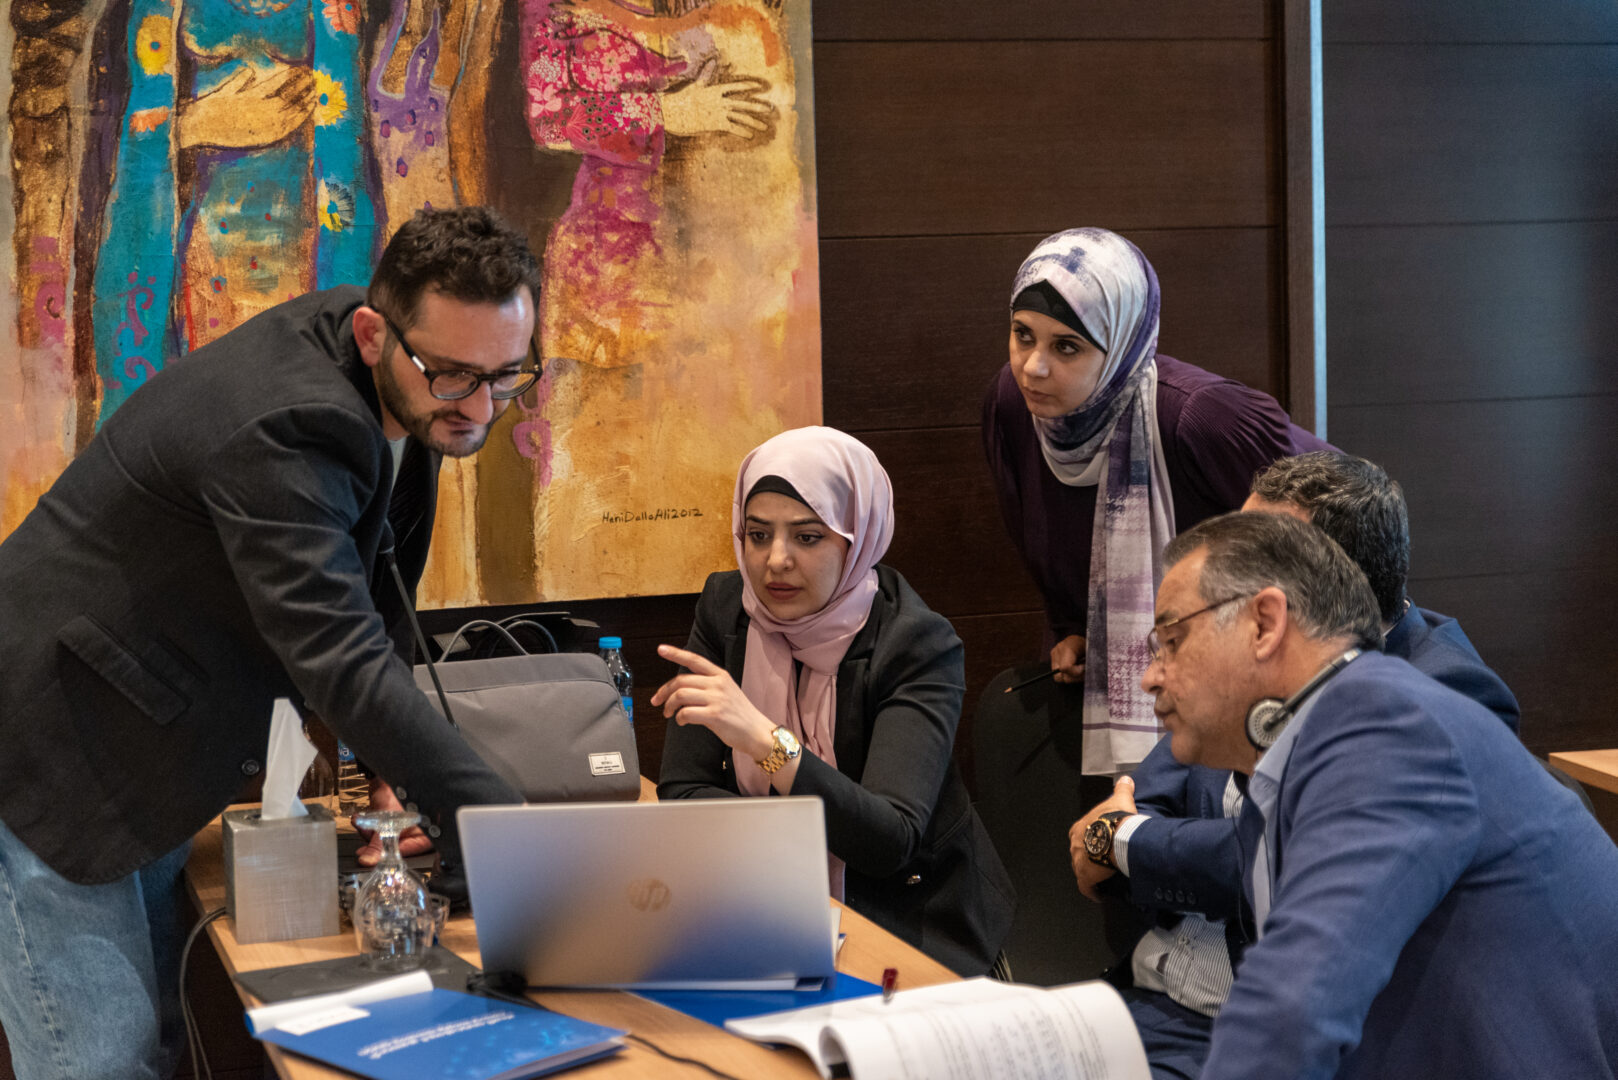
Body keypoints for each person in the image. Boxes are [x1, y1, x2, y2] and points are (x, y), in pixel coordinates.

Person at [0, 206, 540, 1079]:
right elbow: (336, 654)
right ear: (374, 335)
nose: (481, 406)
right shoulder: (286, 421)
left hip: (147, 723)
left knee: (160, 1043)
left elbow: (375, 604)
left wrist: (397, 782)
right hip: (46, 743)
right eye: (455, 377)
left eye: (507, 375)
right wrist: (510, 834)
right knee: (99, 1061)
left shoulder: (410, 367)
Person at [1070, 451, 1522, 1079]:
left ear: (1289, 605)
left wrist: (1129, 843)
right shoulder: (1266, 693)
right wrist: (1122, 836)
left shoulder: (1426, 711)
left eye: (1248, 563)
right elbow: (1146, 794)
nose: (1152, 676)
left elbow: (1282, 874)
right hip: (1162, 998)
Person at [1138, 511, 1618, 1079]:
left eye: (1171, 640)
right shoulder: (1291, 763)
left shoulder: (1384, 722)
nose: (1151, 675)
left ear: (1264, 623)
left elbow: (1292, 1010)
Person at [654, 426, 1015, 975]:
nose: (775, 561)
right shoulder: (727, 609)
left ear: (858, 538)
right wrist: (790, 867)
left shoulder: (916, 644)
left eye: (807, 537)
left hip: (909, 924)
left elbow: (887, 841)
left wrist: (766, 743)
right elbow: (683, 793)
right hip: (765, 909)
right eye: (757, 534)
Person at [981, 226, 1330, 780]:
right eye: (1023, 336)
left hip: (1251, 705)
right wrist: (1074, 629)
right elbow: (1045, 544)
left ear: (1120, 344)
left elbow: (1345, 515)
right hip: (1116, 700)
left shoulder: (1202, 417)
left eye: (1065, 346)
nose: (1033, 367)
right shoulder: (1014, 406)